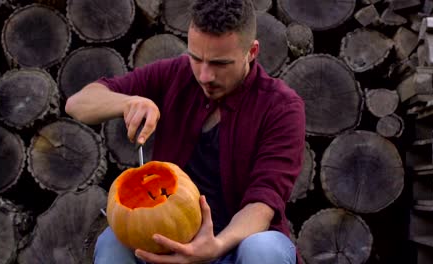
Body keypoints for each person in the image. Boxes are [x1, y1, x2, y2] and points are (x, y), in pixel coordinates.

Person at [65, 0, 305, 263]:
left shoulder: (282, 107)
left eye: (219, 63)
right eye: (196, 58)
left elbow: (262, 205)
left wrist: (215, 246)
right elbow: (77, 104)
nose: (204, 75)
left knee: (264, 248)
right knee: (112, 241)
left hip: (237, 246)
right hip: (166, 242)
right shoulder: (174, 74)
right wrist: (128, 102)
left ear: (252, 51)